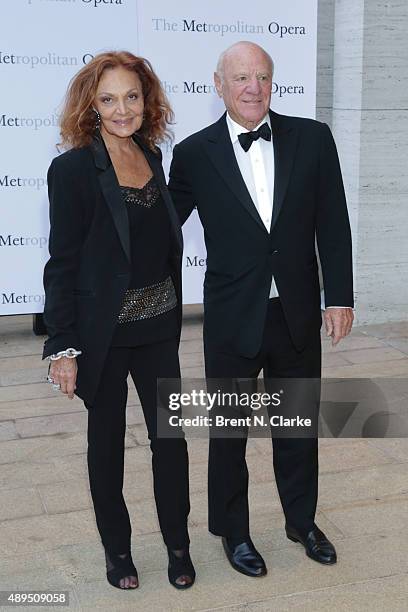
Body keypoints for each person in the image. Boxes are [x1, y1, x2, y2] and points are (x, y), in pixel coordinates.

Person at [168, 41, 354, 577]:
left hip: (295, 312)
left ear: (274, 83)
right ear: (218, 84)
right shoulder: (195, 153)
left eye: (263, 77)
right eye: (242, 78)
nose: (254, 88)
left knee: (296, 427)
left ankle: (302, 521)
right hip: (231, 316)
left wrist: (338, 294)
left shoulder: (313, 139)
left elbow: (333, 222)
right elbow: (163, 229)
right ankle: (234, 532)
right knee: (229, 432)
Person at [42, 51, 195, 590]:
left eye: (132, 96)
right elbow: (62, 262)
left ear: (146, 99)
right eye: (108, 99)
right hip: (102, 336)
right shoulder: (73, 169)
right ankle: (118, 552)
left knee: (170, 443)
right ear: (92, 106)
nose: (122, 108)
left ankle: (179, 544)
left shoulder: (153, 154)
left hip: (158, 331)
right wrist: (62, 347)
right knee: (105, 447)